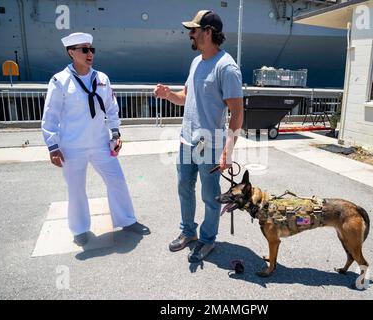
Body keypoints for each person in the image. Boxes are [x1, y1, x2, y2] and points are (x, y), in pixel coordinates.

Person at [41, 32, 149, 246]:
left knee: (117, 180)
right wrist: (53, 146)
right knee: (76, 188)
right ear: (71, 53)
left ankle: (127, 220)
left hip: (100, 143)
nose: (90, 54)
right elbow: (50, 115)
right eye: (84, 50)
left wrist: (116, 134)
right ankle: (80, 229)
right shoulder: (60, 81)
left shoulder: (102, 79)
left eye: (92, 49)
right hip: (72, 146)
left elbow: (111, 108)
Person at [154, 10, 243, 262]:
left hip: (209, 144)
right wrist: (168, 95)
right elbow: (185, 98)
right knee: (184, 187)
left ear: (208, 32)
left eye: (193, 30)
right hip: (186, 140)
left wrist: (228, 149)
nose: (189, 35)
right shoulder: (196, 62)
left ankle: (207, 239)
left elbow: (237, 112)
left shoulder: (227, 68)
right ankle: (188, 233)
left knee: (209, 194)